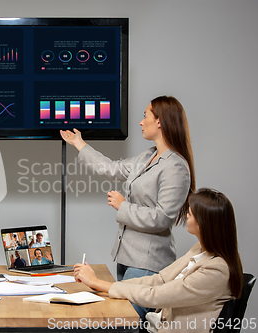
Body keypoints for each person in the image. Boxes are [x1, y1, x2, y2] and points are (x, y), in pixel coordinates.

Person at [61, 96, 195, 320]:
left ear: (160, 121)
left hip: (148, 265)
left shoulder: (176, 166)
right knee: (123, 321)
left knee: (125, 322)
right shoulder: (148, 157)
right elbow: (111, 168)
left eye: (145, 116)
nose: (141, 122)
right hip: (127, 258)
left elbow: (162, 218)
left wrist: (124, 206)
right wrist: (79, 143)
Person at [74, 188, 243, 333]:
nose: (186, 215)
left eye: (190, 214)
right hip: (155, 325)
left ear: (203, 224)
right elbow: (160, 280)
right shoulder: (200, 249)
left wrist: (99, 283)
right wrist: (102, 284)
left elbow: (156, 296)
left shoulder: (217, 270)